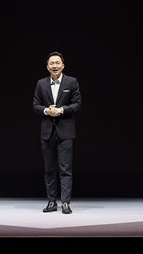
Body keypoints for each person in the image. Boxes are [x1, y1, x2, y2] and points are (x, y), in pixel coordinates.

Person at [32, 52, 81, 214]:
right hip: (47, 132)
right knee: (49, 169)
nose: (54, 66)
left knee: (65, 169)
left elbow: (77, 104)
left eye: (57, 63)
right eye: (51, 63)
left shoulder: (72, 82)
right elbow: (35, 105)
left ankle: (65, 203)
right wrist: (47, 110)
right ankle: (51, 201)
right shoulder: (41, 83)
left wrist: (61, 110)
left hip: (65, 132)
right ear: (47, 66)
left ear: (63, 66)